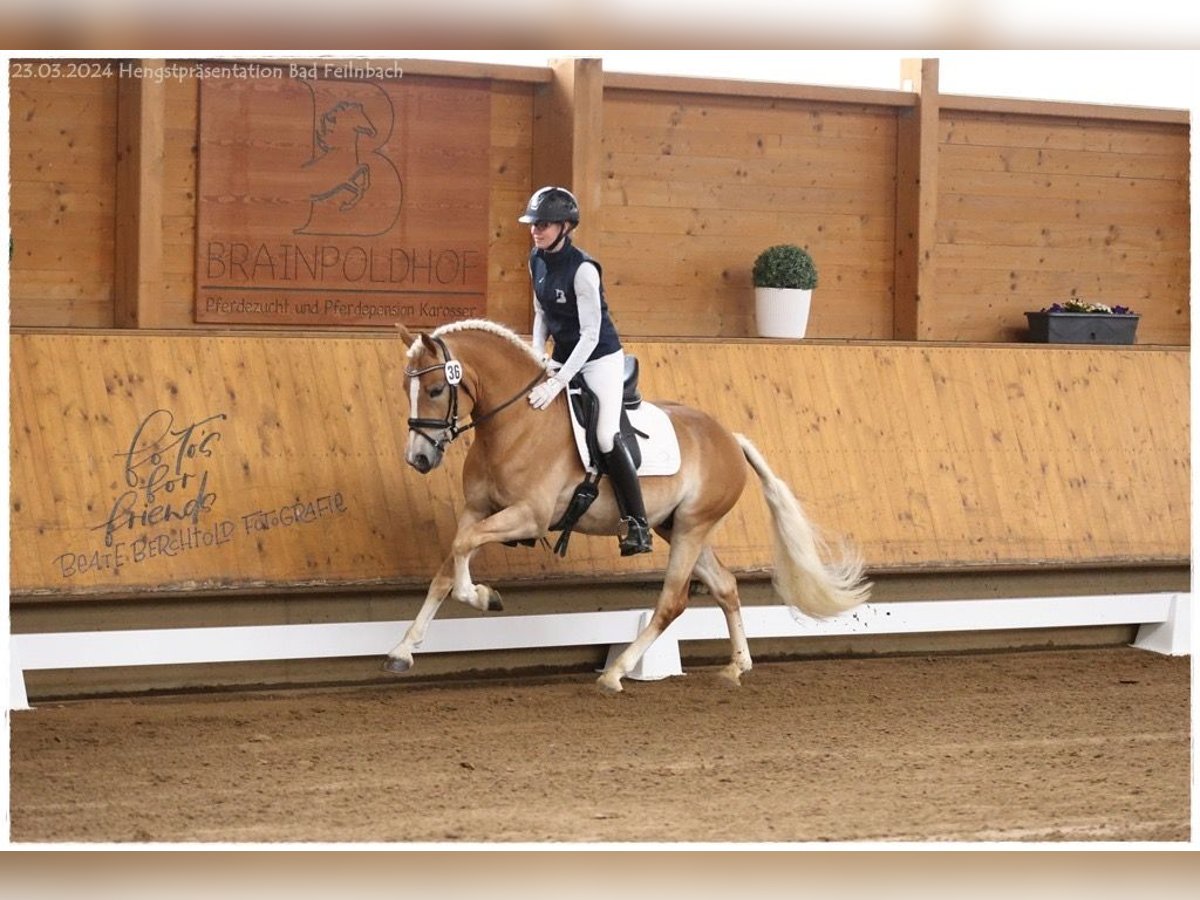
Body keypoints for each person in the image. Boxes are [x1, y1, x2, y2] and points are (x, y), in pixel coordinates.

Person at [520, 186, 652, 556]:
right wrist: (536, 355)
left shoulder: (583, 272)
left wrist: (560, 379)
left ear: (565, 226)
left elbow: (592, 334)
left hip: (600, 359)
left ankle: (638, 525)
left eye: (543, 224)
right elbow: (542, 313)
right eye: (533, 224)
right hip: (563, 355)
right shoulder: (536, 259)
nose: (536, 230)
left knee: (607, 436)